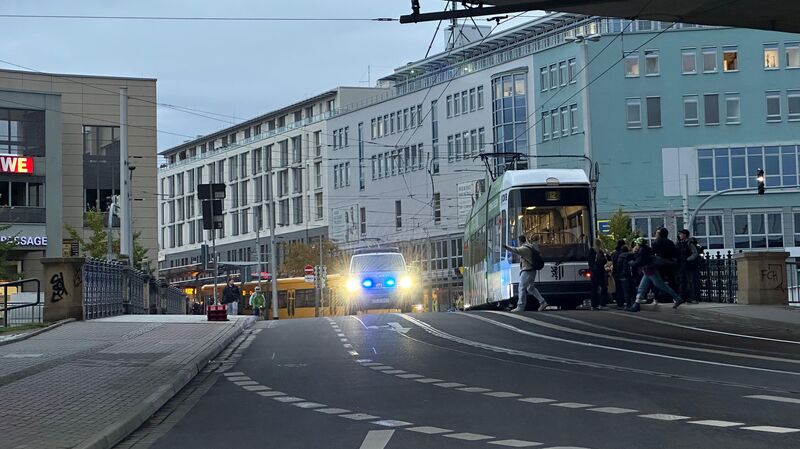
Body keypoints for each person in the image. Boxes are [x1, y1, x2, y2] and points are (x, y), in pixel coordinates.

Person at [629, 238, 683, 311]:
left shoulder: (643, 251)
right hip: (648, 271)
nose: (636, 246)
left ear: (639, 244)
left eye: (637, 244)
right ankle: (636, 303)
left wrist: (631, 262)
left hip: (650, 271)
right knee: (642, 288)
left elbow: (638, 262)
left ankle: (677, 298)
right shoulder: (645, 250)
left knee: (661, 286)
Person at [503, 235, 547, 312]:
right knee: (530, 288)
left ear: (520, 241)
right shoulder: (530, 246)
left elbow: (515, 250)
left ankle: (520, 306)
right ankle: (542, 302)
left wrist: (506, 247)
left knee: (521, 287)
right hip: (532, 270)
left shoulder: (524, 249)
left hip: (527, 271)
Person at [676, 229, 700, 304]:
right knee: (683, 282)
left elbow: (695, 253)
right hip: (682, 265)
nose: (679, 235)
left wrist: (687, 259)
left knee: (691, 281)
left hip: (689, 265)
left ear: (685, 235)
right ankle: (684, 297)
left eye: (681, 234)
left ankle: (692, 298)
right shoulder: (680, 243)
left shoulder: (690, 243)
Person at [587, 238, 609, 310]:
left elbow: (590, 261)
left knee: (594, 288)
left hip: (594, 272)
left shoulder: (591, 250)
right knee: (604, 287)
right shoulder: (600, 251)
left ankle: (594, 305)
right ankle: (602, 304)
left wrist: (592, 268)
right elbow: (604, 261)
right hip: (601, 271)